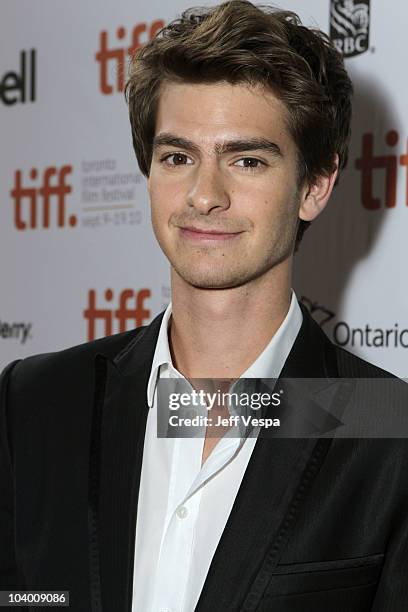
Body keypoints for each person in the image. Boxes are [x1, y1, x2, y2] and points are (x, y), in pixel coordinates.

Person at [1, 1, 407, 610]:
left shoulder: (385, 427)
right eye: (178, 157)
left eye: (246, 160)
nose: (204, 195)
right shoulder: (36, 401)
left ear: (315, 186)